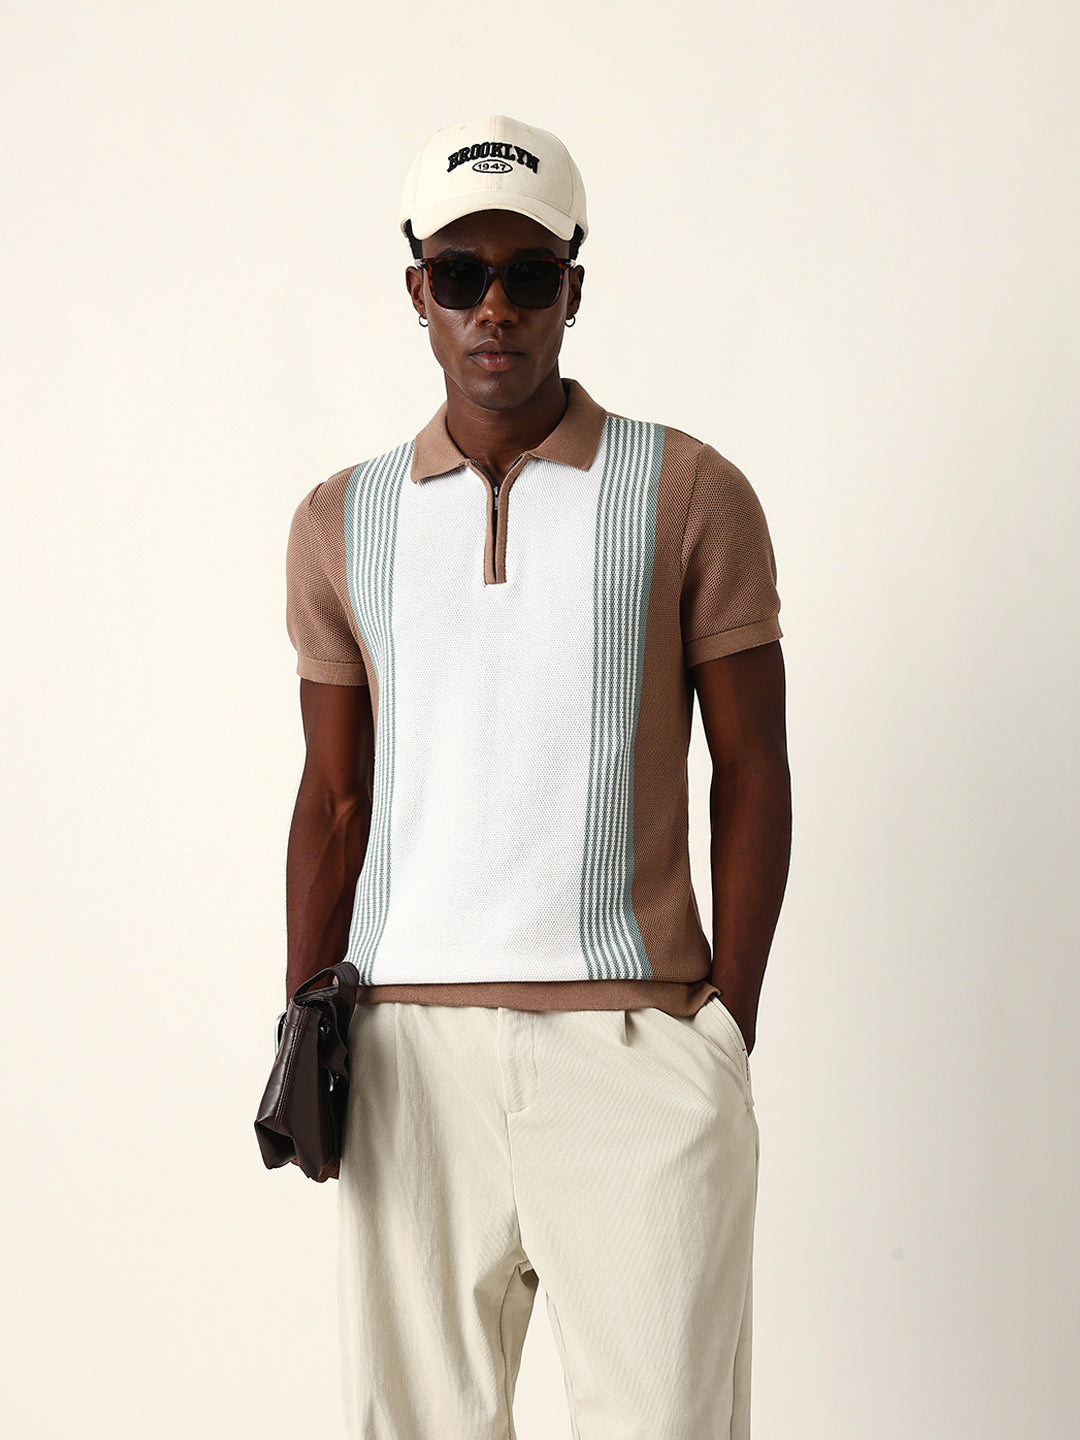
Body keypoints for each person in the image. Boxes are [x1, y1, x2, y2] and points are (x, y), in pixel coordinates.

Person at [284, 114, 791, 1440]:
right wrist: (305, 1025)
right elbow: (333, 798)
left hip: (634, 1046)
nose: (494, 307)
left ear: (574, 285)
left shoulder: (688, 493)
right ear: (419, 291)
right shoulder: (342, 520)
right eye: (462, 275)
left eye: (527, 274)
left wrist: (725, 1027)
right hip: (407, 1055)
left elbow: (753, 765)